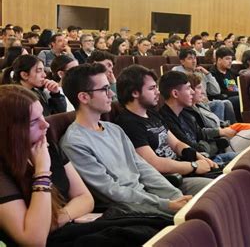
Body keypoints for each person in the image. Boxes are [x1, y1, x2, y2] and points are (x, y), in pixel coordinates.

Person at [60, 64, 190, 215]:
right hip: (129, 210)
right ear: (84, 97)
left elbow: (143, 168)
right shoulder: (75, 143)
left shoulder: (114, 129)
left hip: (150, 199)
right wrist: (166, 205)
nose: (111, 95)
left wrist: (175, 197)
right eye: (104, 89)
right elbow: (110, 191)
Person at [0, 85, 94, 245]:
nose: (46, 125)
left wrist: (56, 219)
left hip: (71, 231)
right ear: (10, 130)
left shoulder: (45, 144)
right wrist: (42, 172)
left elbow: (85, 198)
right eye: (33, 122)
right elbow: (34, 240)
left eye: (42, 116)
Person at [115, 65, 213, 194]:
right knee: (219, 188)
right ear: (135, 93)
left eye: (156, 87)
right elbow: (154, 164)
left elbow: (176, 144)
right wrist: (194, 166)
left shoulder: (152, 113)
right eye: (151, 88)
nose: (158, 92)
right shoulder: (128, 123)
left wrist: (200, 158)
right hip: (170, 181)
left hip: (182, 169)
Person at [158, 71, 237, 164]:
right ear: (175, 94)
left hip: (208, 158)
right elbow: (194, 149)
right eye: (188, 88)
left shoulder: (186, 114)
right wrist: (214, 145)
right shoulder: (165, 120)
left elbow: (200, 133)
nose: (192, 92)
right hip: (197, 163)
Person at [187, 73, 250, 153]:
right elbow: (201, 135)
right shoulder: (189, 113)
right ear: (189, 91)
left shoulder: (199, 105)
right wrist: (221, 132)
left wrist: (228, 127)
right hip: (219, 145)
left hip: (225, 135)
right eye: (199, 88)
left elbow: (217, 122)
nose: (203, 92)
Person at [172, 48, 235, 123]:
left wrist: (207, 74)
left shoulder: (200, 72)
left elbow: (216, 91)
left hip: (205, 103)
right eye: (190, 58)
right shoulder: (177, 72)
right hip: (192, 104)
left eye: (195, 58)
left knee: (227, 103)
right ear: (182, 61)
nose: (194, 61)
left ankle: (232, 126)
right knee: (219, 104)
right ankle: (218, 128)